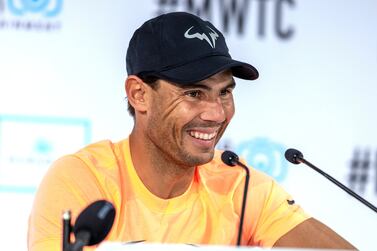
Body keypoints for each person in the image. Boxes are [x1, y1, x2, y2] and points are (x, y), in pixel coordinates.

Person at [27, 12, 356, 251]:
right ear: (139, 94)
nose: (216, 113)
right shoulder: (82, 178)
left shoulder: (242, 187)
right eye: (193, 93)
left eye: (225, 92)